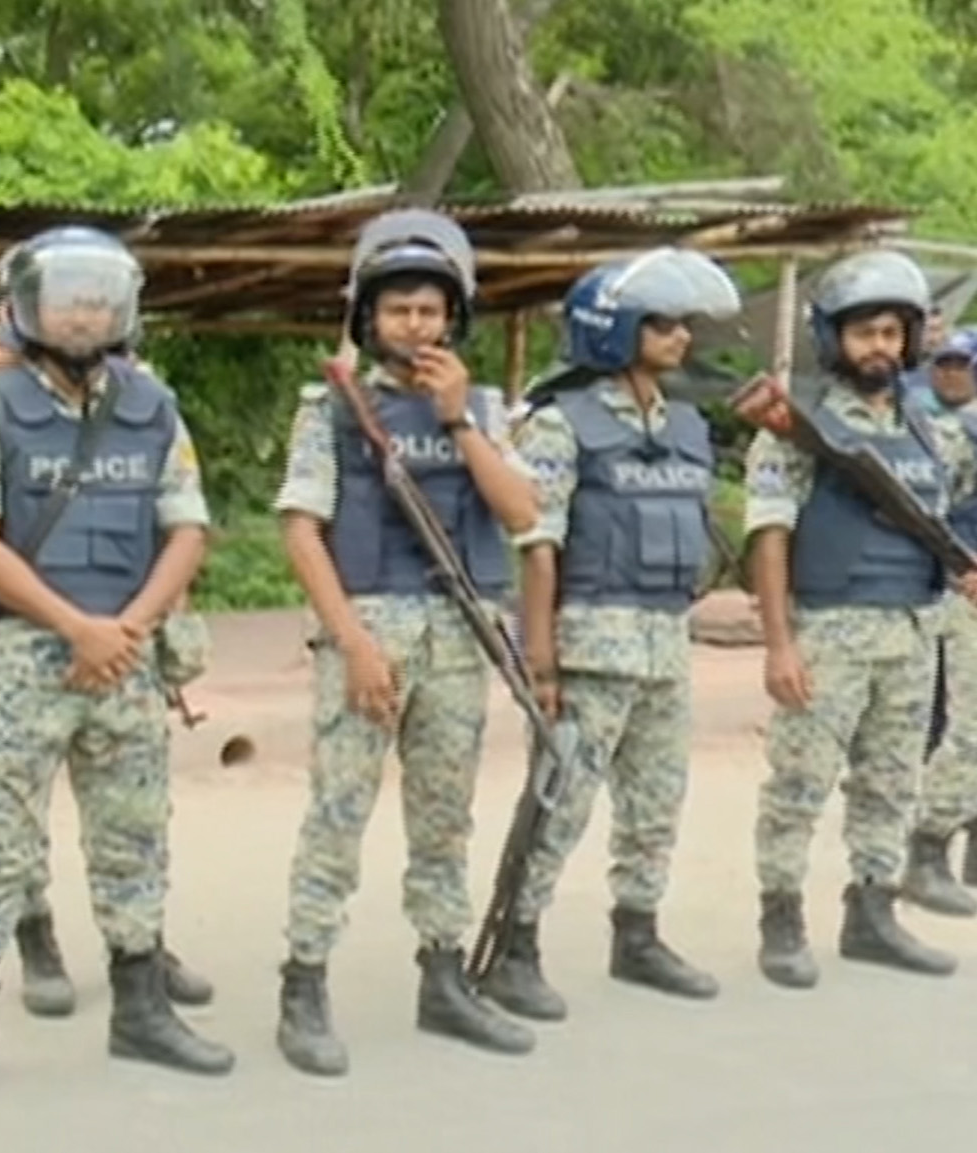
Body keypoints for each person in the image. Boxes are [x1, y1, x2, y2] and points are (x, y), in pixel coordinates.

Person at [0, 226, 231, 1105]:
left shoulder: (153, 406)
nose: (85, 315)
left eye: (99, 300)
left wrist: (126, 627)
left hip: (126, 653)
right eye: (67, 300)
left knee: (135, 835)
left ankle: (142, 1008)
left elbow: (187, 528)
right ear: (28, 308)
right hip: (26, 654)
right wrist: (75, 628)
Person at [271, 209, 540, 1077]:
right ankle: (304, 983)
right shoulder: (330, 408)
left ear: (453, 317)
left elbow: (522, 512)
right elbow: (302, 531)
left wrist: (459, 421)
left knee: (444, 817)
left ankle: (443, 975)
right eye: (399, 311)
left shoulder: (483, 409)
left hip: (459, 635)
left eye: (429, 311)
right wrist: (351, 640)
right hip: (369, 630)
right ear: (368, 318)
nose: (415, 326)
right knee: (338, 814)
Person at [475, 249, 743, 1022]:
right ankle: (515, 948)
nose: (681, 336)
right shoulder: (561, 424)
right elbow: (539, 544)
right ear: (614, 329)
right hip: (591, 646)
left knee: (657, 799)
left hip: (665, 643)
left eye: (683, 323)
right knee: (560, 802)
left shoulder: (685, 425)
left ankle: (638, 933)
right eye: (662, 324)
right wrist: (540, 661)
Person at [742, 250, 977, 989]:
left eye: (891, 333)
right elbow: (769, 534)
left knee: (889, 782)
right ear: (833, 338)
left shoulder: (931, 430)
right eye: (864, 332)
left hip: (911, 631)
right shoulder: (795, 426)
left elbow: (939, 524)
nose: (879, 346)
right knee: (799, 785)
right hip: (829, 632)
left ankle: (873, 911)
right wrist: (780, 645)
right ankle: (782, 919)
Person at [904, 327, 977, 916]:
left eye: (962, 363)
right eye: (943, 362)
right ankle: (927, 845)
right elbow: (924, 510)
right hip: (958, 593)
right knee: (964, 728)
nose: (950, 371)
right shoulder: (942, 433)